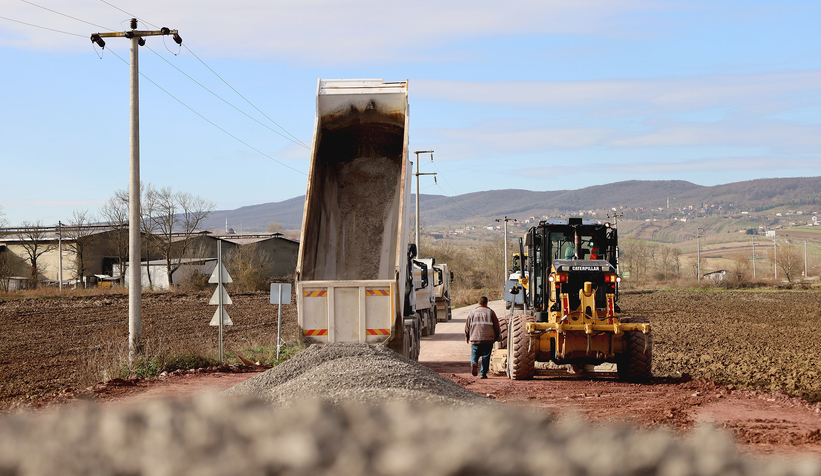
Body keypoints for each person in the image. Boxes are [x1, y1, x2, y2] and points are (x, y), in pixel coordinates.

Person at [465, 296, 501, 379]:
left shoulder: (472, 312)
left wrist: (467, 336)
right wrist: (497, 335)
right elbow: (496, 326)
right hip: (488, 339)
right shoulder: (490, 312)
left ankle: (474, 362)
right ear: (486, 303)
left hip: (475, 338)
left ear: (478, 303)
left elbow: (467, 326)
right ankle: (483, 374)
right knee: (486, 356)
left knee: (474, 353)